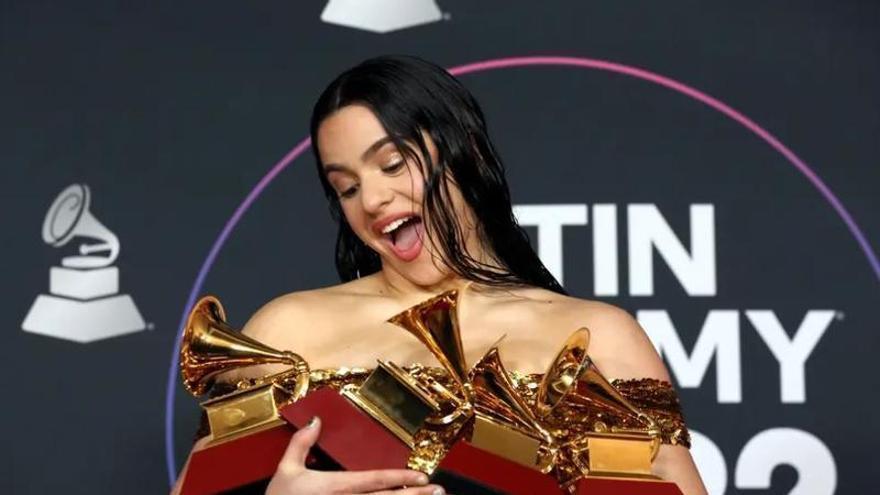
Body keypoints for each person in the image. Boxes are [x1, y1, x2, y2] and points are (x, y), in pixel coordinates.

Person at [172, 55, 707, 495]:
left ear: (465, 152)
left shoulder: (601, 335)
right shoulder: (287, 330)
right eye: (347, 187)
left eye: (392, 163)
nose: (374, 199)